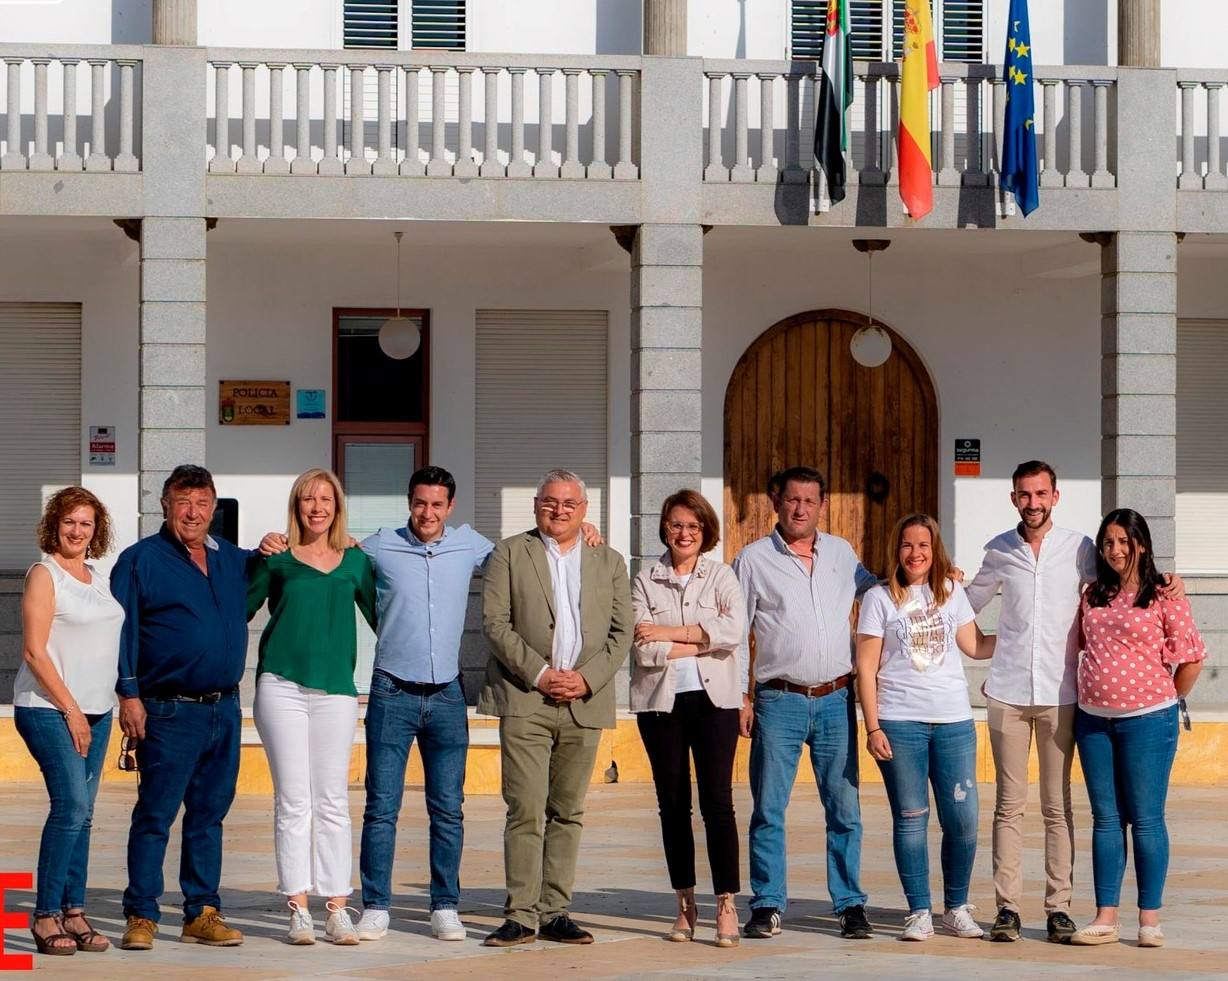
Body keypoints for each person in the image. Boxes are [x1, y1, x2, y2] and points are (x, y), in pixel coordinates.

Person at [258, 465, 601, 942]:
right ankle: (376, 906)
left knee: (448, 808)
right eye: (420, 503)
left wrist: (580, 529)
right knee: (381, 807)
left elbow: (529, 551)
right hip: (391, 690)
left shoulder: (473, 545)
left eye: (437, 504)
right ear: (409, 503)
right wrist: (275, 540)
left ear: (450, 507)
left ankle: (445, 906)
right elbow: (332, 551)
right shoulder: (377, 546)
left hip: (446, 693)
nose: (428, 512)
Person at [964, 460, 1184, 944]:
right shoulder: (999, 550)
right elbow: (963, 605)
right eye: (1024, 494)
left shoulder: (1082, 548)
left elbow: (1121, 579)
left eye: (1041, 494)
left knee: (1057, 806)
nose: (1033, 503)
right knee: (1008, 806)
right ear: (1014, 498)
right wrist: (986, 644)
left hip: (1062, 695)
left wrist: (1167, 581)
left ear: (1055, 497)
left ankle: (1059, 908)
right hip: (1007, 693)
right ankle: (1007, 909)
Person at [478, 469, 631, 947]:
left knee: (567, 810)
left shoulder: (609, 560)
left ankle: (555, 911)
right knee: (524, 808)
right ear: (536, 505)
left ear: (584, 510)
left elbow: (621, 632)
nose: (558, 510)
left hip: (584, 701)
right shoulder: (509, 553)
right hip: (526, 699)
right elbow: (495, 623)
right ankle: (521, 915)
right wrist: (541, 674)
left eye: (569, 503)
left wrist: (585, 679)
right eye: (550, 501)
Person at [111, 464, 253, 951]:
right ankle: (141, 914)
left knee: (209, 816)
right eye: (183, 502)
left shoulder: (232, 559)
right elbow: (122, 632)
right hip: (168, 711)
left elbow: (282, 569)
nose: (192, 513)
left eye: (201, 503)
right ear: (165, 505)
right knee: (155, 815)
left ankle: (202, 912)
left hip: (224, 710)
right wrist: (129, 695)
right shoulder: (139, 560)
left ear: (214, 507)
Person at [733, 465, 877, 941]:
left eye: (809, 501)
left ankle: (850, 905)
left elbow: (880, 591)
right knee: (769, 809)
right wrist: (742, 695)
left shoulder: (842, 552)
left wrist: (936, 578)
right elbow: (736, 633)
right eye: (792, 500)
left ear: (822, 506)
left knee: (844, 811)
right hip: (779, 701)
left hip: (837, 698)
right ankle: (767, 903)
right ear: (776, 502)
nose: (800, 509)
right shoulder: (752, 560)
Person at [247, 469, 376, 945]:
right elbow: (234, 608)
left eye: (325, 499)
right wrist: (254, 552)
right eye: (307, 499)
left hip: (337, 690)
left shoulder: (356, 561)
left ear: (337, 506)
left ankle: (338, 908)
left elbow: (387, 617)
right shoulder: (276, 559)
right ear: (296, 506)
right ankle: (298, 908)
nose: (317, 507)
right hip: (280, 686)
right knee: (293, 800)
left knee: (333, 799)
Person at [1070, 509, 1205, 948]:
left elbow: (1191, 658)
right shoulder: (1092, 593)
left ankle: (1149, 919)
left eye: (1124, 541)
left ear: (1142, 545)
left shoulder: (1165, 593)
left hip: (1149, 721)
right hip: (1093, 721)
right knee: (1106, 819)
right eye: (1108, 542)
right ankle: (1106, 916)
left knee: (1146, 820)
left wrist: (1165, 699)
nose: (1116, 550)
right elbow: (1080, 646)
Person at [856, 514, 992, 942]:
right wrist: (873, 727)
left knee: (963, 820)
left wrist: (1025, 631)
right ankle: (918, 911)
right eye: (907, 545)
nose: (915, 553)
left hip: (954, 722)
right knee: (911, 818)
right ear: (896, 550)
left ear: (936, 551)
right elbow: (865, 667)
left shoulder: (952, 592)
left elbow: (975, 646)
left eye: (923, 546)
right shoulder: (879, 598)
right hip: (900, 723)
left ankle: (956, 908)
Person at [630, 489, 746, 948]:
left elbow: (734, 631)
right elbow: (643, 648)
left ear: (705, 531)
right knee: (673, 804)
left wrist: (669, 633)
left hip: (715, 702)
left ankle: (726, 903)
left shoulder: (722, 575)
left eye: (693, 526)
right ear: (665, 528)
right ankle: (684, 901)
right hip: (661, 704)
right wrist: (700, 640)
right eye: (677, 525)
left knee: (718, 802)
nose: (684, 533)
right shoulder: (645, 580)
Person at [15, 487, 123, 956]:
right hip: (48, 709)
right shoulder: (45, 575)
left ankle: (74, 911)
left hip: (99, 710)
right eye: (69, 522)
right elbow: (34, 652)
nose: (77, 531)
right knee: (71, 807)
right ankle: (45, 915)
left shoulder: (98, 578)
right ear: (54, 525)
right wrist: (72, 711)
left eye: (86, 523)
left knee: (85, 814)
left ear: (96, 530)